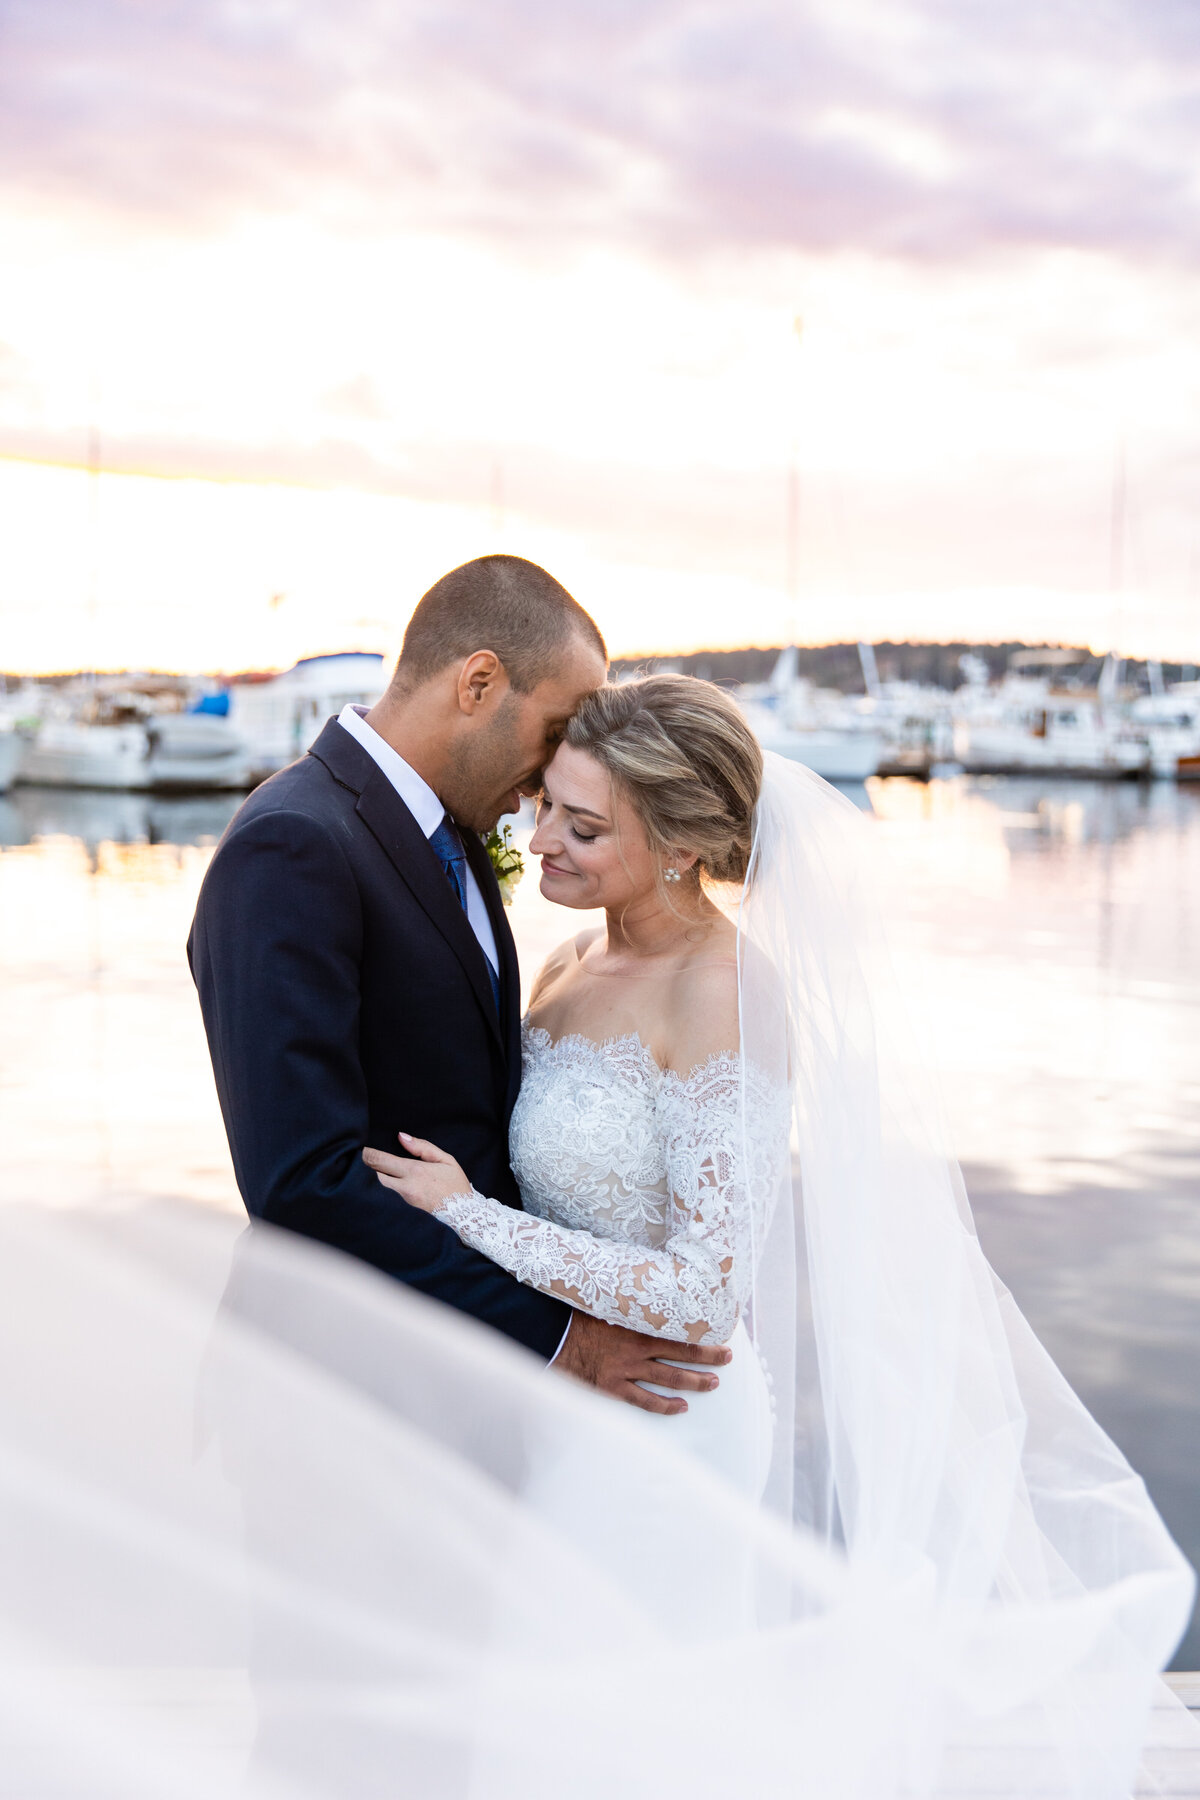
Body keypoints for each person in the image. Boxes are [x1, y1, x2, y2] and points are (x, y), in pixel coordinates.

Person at [188, 555, 729, 1414]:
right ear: (479, 683)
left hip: (469, 1399)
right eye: (555, 729)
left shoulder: (456, 836)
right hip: (346, 1398)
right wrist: (560, 1341)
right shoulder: (294, 845)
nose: (559, 767)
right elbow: (303, 1182)